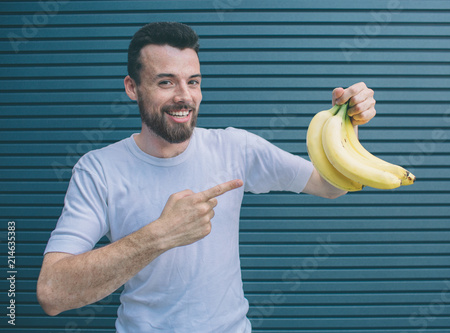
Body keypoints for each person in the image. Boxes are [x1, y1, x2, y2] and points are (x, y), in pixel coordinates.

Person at [37, 22, 376, 332]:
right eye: (166, 82)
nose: (184, 96)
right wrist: (160, 235)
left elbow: (332, 186)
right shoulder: (98, 169)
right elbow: (53, 293)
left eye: (193, 81)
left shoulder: (235, 147)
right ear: (132, 87)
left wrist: (347, 125)